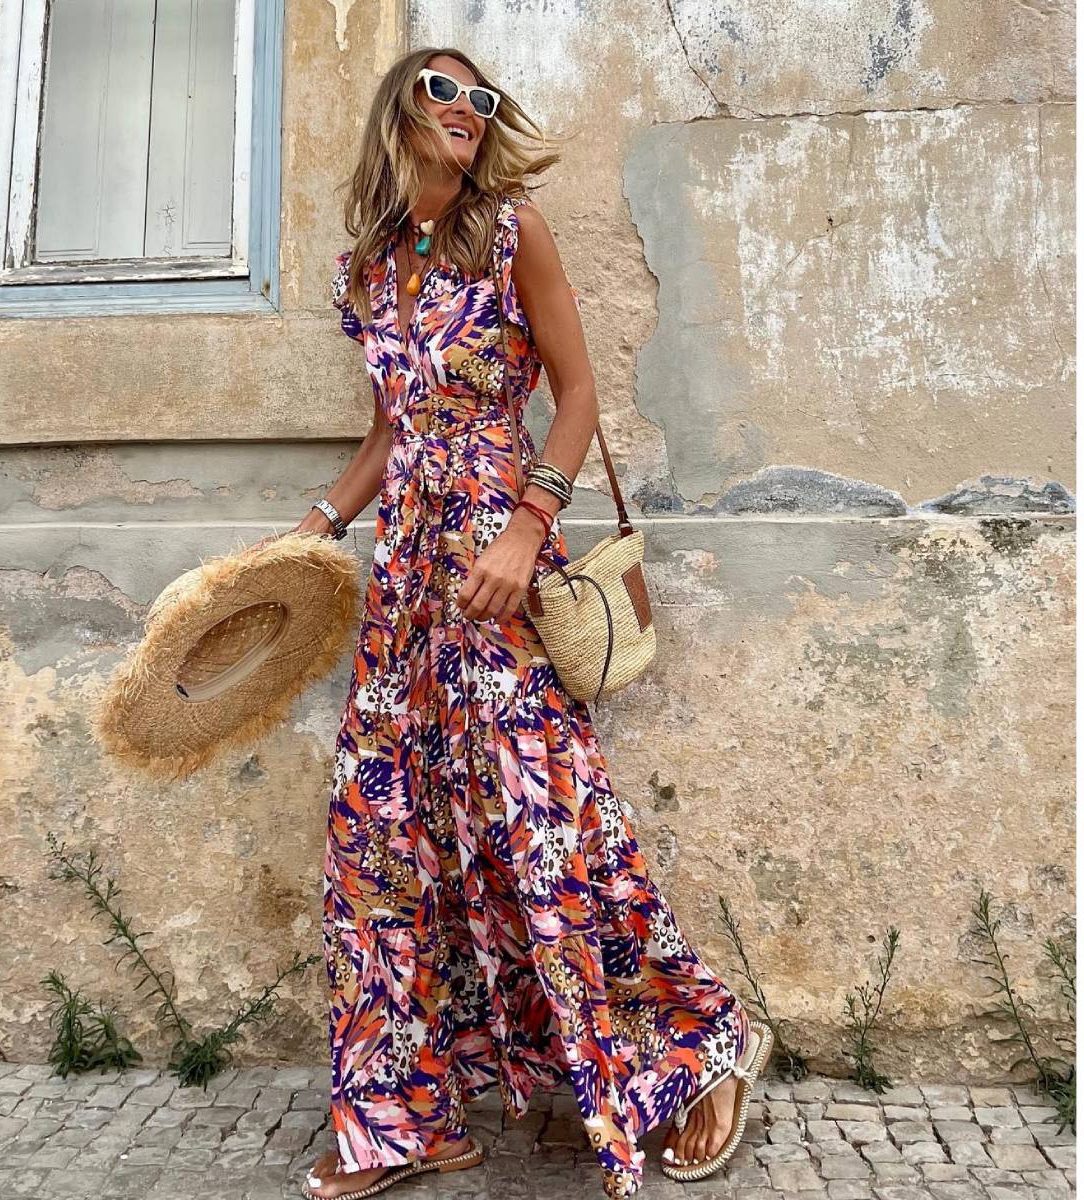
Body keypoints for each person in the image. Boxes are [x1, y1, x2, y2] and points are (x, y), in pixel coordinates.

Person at [275, 46, 761, 1200]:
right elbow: (393, 430)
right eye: (443, 92)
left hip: (499, 558)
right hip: (405, 582)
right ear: (398, 113)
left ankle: (702, 1047)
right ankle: (402, 1119)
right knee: (379, 834)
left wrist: (528, 525)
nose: (466, 111)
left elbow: (578, 394)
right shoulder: (367, 271)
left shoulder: (511, 233)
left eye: (481, 101)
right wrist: (317, 524)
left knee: (547, 816)